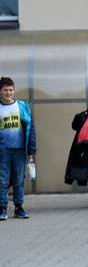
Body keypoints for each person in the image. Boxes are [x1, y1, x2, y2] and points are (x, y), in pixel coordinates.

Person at [0, 77, 36, 220]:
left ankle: (18, 207)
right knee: (2, 180)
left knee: (19, 180)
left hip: (20, 150)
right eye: (5, 90)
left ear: (14, 91)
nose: (8, 93)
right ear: (0, 91)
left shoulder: (22, 107)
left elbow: (31, 129)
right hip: (3, 151)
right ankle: (2, 208)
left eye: (10, 90)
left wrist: (31, 151)